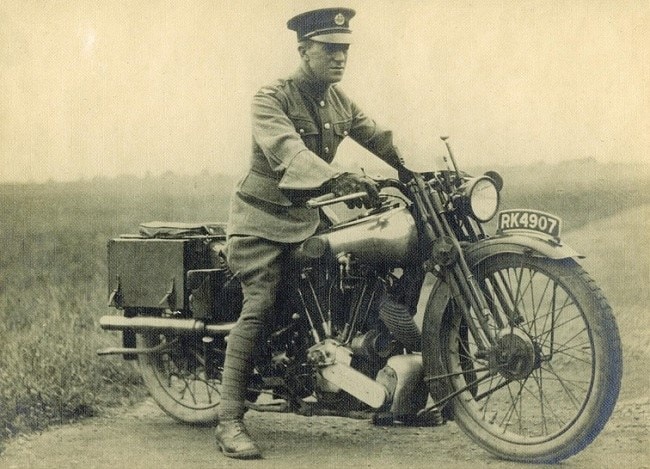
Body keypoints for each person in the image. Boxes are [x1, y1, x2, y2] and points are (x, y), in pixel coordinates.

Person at [216, 7, 405, 459]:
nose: (340, 58)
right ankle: (228, 420)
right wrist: (336, 178)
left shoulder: (338, 100)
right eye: (330, 49)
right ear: (304, 50)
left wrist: (412, 170)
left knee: (364, 264)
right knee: (260, 303)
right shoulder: (271, 98)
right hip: (261, 223)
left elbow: (377, 136)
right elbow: (288, 152)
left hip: (308, 219)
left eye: (344, 50)